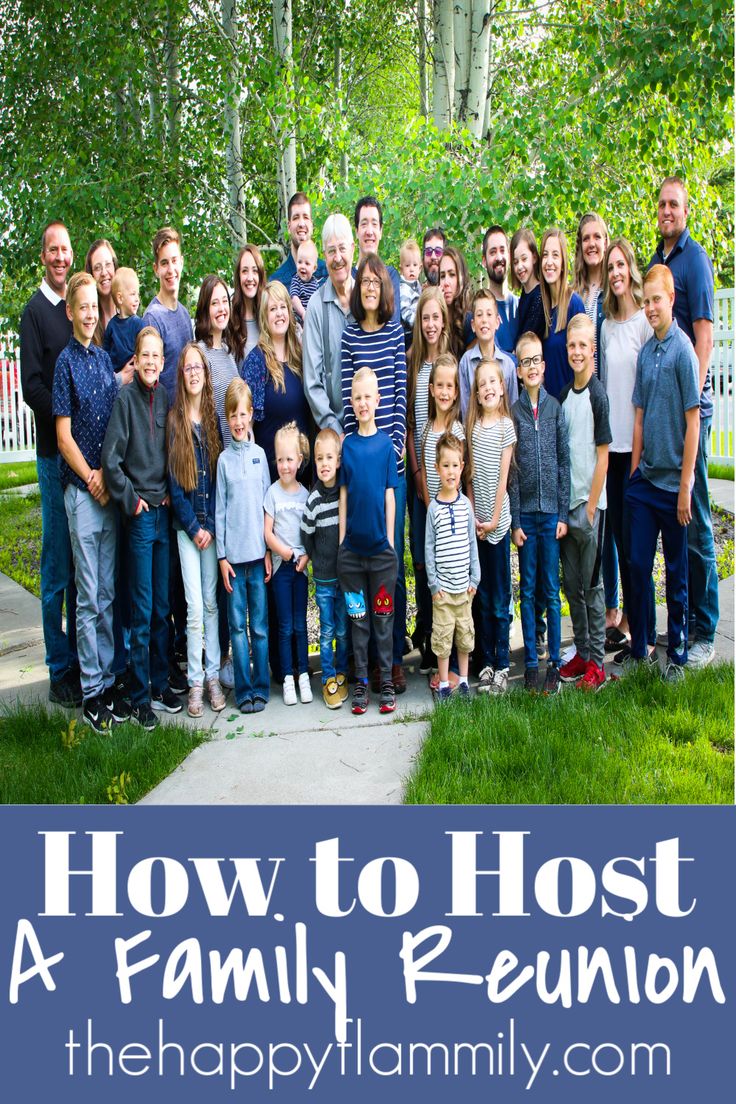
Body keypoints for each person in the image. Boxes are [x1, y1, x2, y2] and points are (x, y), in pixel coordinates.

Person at [649, 176, 718, 668]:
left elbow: (704, 338)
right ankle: (683, 623)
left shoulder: (694, 262)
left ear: (686, 211)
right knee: (676, 524)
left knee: (695, 522)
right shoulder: (659, 261)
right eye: (662, 204)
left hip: (691, 413)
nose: (667, 211)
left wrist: (688, 405)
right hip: (663, 419)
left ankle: (705, 629)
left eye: (675, 204)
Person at [52, 272, 124, 732]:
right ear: (70, 312)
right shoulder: (65, 364)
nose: (89, 314)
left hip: (108, 494)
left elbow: (116, 423)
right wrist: (91, 476)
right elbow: (63, 435)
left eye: (93, 308)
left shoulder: (102, 359)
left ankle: (110, 679)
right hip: (82, 492)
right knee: (87, 597)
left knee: (108, 593)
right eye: (82, 308)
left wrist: (108, 476)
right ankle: (92, 687)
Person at [101, 327, 181, 730]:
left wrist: (168, 490)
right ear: (136, 359)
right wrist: (131, 500)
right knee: (142, 606)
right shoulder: (125, 401)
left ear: (163, 362)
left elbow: (169, 453)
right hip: (139, 516)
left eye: (156, 356)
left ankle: (161, 683)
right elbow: (111, 461)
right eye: (144, 355)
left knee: (163, 606)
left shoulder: (165, 397)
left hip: (163, 513)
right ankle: (137, 694)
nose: (150, 362)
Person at [625, 265, 700, 682]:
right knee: (636, 563)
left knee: (676, 571)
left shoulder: (682, 351)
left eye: (657, 299)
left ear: (671, 300)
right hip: (645, 482)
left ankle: (679, 654)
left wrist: (686, 486)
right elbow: (639, 415)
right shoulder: (646, 351)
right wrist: (635, 471)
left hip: (674, 485)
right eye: (647, 299)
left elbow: (693, 422)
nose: (651, 307)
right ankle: (642, 645)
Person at [340, 253, 408, 691]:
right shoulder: (349, 335)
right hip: (357, 459)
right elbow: (348, 398)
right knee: (357, 561)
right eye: (363, 280)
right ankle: (359, 663)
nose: (368, 287)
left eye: (375, 280)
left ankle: (393, 659)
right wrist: (352, 450)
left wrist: (395, 446)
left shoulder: (394, 331)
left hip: (389, 462)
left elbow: (400, 392)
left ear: (385, 288)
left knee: (390, 560)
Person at [19, 219, 78, 707]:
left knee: (83, 568)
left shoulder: (77, 310)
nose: (60, 257)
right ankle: (58, 667)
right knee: (56, 564)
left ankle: (81, 661)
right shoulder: (35, 313)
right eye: (53, 250)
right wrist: (67, 413)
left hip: (82, 458)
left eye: (66, 250)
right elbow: (30, 387)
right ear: (44, 257)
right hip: (50, 456)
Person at [599, 237, 654, 660]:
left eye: (621, 265)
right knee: (619, 540)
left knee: (638, 552)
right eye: (611, 267)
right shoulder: (604, 323)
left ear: (630, 269)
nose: (616, 272)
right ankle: (634, 629)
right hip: (612, 453)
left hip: (638, 452)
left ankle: (642, 635)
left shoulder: (643, 323)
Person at [167, 343, 226, 718]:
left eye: (198, 368)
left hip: (212, 527)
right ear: (181, 375)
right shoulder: (175, 422)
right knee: (192, 609)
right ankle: (194, 682)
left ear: (205, 374)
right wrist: (194, 527)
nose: (192, 373)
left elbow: (219, 478)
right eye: (187, 368)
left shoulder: (213, 419)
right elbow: (173, 484)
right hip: (188, 530)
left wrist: (211, 527)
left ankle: (213, 676)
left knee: (210, 604)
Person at [509, 331, 570, 694]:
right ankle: (531, 661)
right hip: (526, 519)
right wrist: (515, 521)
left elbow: (563, 464)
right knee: (528, 589)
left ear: (544, 367)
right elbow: (512, 474)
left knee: (550, 589)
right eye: (525, 362)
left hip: (550, 517)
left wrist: (562, 513)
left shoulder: (555, 409)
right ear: (518, 371)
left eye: (536, 360)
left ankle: (554, 665)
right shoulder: (514, 413)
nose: (531, 367)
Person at [337, 367, 399, 716]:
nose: (363, 403)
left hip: (380, 555)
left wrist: (390, 542)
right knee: (358, 622)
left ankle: (386, 680)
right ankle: (360, 682)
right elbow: (344, 495)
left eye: (368, 398)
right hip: (353, 555)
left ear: (378, 401)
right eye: (357, 398)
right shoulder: (348, 446)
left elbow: (390, 496)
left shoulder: (385, 445)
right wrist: (343, 539)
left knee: (383, 620)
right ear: (352, 402)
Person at [558, 315, 612, 692]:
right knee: (572, 585)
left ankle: (597, 661)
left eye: (583, 346)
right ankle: (580, 650)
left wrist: (591, 507)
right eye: (572, 346)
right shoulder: (563, 397)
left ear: (592, 349)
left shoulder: (598, 395)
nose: (577, 352)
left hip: (590, 507)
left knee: (592, 589)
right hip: (567, 509)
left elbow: (603, 456)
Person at [216, 378, 272, 714]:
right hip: (234, 562)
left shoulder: (260, 456)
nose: (238, 422)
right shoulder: (223, 462)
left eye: (243, 415)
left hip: (257, 556)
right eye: (232, 416)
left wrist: (267, 550)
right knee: (237, 627)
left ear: (251, 415)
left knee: (259, 627)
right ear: (228, 419)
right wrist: (222, 556)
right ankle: (244, 689)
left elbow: (268, 506)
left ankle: (262, 686)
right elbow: (220, 511)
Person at [465, 358, 516, 695]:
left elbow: (503, 479)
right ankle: (484, 662)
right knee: (481, 597)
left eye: (492, 382)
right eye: (481, 383)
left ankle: (502, 663)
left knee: (499, 598)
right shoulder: (472, 427)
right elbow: (470, 479)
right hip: (476, 526)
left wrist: (495, 518)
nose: (487, 388)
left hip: (497, 525)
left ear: (502, 387)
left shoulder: (505, 428)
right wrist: (473, 518)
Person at [406, 286, 450, 671]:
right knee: (422, 557)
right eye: (425, 318)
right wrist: (419, 474)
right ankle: (424, 629)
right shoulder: (412, 362)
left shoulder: (449, 366)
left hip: (447, 477)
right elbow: (409, 425)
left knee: (446, 552)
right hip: (420, 476)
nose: (431, 324)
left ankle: (447, 637)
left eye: (437, 317)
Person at [425, 432, 480, 702]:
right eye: (445, 466)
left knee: (465, 638)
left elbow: (472, 542)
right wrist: (434, 585)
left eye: (455, 466)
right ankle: (445, 683)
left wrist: (475, 578)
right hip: (444, 593)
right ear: (437, 468)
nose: (450, 471)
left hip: (464, 590)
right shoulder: (433, 508)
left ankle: (465, 682)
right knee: (443, 639)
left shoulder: (466, 506)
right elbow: (428, 549)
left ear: (462, 468)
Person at [300, 427, 349, 709]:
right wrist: (314, 558)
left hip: (344, 576)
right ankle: (328, 677)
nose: (325, 464)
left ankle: (342, 672)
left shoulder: (344, 492)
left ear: (339, 460)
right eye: (319, 459)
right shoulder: (314, 499)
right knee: (328, 628)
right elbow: (307, 535)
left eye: (330, 458)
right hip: (324, 578)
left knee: (343, 629)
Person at [242, 280, 310, 482]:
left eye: (283, 307)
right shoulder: (257, 361)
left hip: (302, 472)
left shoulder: (301, 355)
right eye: (273, 309)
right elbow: (247, 424)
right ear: (264, 316)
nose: (279, 313)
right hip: (271, 477)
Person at [264, 422, 311, 706]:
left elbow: (309, 533)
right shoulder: (272, 493)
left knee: (300, 624)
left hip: (300, 569)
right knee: (284, 626)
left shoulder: (305, 495)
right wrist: (284, 552)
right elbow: (267, 532)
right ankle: (287, 679)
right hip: (282, 569)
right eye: (280, 460)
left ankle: (303, 673)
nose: (284, 466)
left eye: (289, 460)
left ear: (300, 461)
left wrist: (305, 556)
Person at [303, 213, 356, 435]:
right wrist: (335, 431)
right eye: (331, 251)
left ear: (353, 249)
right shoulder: (316, 307)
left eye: (342, 249)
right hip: (333, 436)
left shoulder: (367, 297)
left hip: (370, 429)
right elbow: (312, 382)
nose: (338, 258)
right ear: (324, 255)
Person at [142, 226, 193, 402]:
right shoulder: (152, 318)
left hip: (186, 418)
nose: (170, 269)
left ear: (181, 262)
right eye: (164, 263)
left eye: (174, 261)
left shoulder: (185, 315)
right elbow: (147, 383)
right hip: (163, 421)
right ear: (156, 269)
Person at [539, 227, 586, 399]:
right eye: (545, 255)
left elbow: (586, 364)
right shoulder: (540, 309)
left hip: (571, 406)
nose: (549, 262)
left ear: (563, 263)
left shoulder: (574, 305)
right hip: (547, 412)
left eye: (555, 255)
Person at [459, 288, 518, 419]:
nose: (484, 319)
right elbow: (464, 409)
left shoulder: (508, 365)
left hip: (504, 436)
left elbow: (513, 408)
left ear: (497, 322)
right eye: (479, 315)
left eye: (489, 314)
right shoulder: (466, 362)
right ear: (473, 325)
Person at [194, 274, 239, 446]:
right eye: (214, 303)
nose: (221, 308)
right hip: (214, 456)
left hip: (233, 454)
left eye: (224, 301)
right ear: (205, 309)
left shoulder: (229, 351)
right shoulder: (200, 353)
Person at [353, 195, 401, 323]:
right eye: (364, 224)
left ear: (380, 231)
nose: (369, 231)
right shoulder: (347, 278)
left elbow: (393, 324)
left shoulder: (391, 276)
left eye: (374, 224)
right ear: (356, 231)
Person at [573, 212, 609, 366]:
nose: (591, 243)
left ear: (606, 243)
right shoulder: (573, 295)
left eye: (597, 237)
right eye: (586, 238)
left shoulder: (613, 291)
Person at [271, 191, 327, 289]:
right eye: (296, 218)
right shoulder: (277, 282)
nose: (301, 223)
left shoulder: (327, 274)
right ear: (289, 227)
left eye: (305, 217)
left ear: (312, 225)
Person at [482, 225, 518, 356]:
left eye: (502, 250)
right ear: (484, 261)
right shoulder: (479, 312)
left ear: (509, 255)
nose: (498, 257)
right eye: (492, 252)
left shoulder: (521, 307)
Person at [103, 267, 144, 381]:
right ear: (120, 298)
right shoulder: (112, 325)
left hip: (135, 377)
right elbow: (105, 351)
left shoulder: (139, 324)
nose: (137, 299)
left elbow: (145, 350)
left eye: (138, 294)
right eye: (132, 294)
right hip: (117, 377)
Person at [230, 244, 267, 368]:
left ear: (260, 275)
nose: (250, 278)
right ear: (238, 276)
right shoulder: (229, 320)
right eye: (245, 271)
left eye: (255, 271)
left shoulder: (269, 316)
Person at [511, 227, 544, 340]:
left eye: (524, 259)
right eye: (515, 262)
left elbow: (527, 338)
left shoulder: (540, 297)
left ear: (534, 257)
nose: (519, 266)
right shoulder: (524, 296)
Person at [439, 246, 472, 360]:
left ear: (461, 278)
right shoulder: (434, 319)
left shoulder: (469, 320)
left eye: (452, 274)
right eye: (442, 276)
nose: (446, 282)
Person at [85, 238, 118, 350]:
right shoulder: (87, 320)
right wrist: (121, 369)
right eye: (97, 268)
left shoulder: (130, 311)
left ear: (115, 267)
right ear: (91, 274)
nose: (104, 273)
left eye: (108, 265)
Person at [290, 239, 321, 323]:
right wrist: (303, 313)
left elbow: (318, 301)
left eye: (307, 263)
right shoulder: (296, 280)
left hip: (311, 317)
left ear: (314, 268)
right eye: (300, 262)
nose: (302, 266)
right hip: (298, 316)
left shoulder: (315, 283)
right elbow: (294, 298)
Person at [398, 238, 423, 332]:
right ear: (402, 269)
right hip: (409, 331)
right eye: (407, 266)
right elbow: (405, 311)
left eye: (415, 265)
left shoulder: (417, 284)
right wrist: (417, 323)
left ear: (420, 268)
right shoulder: (404, 288)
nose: (411, 269)